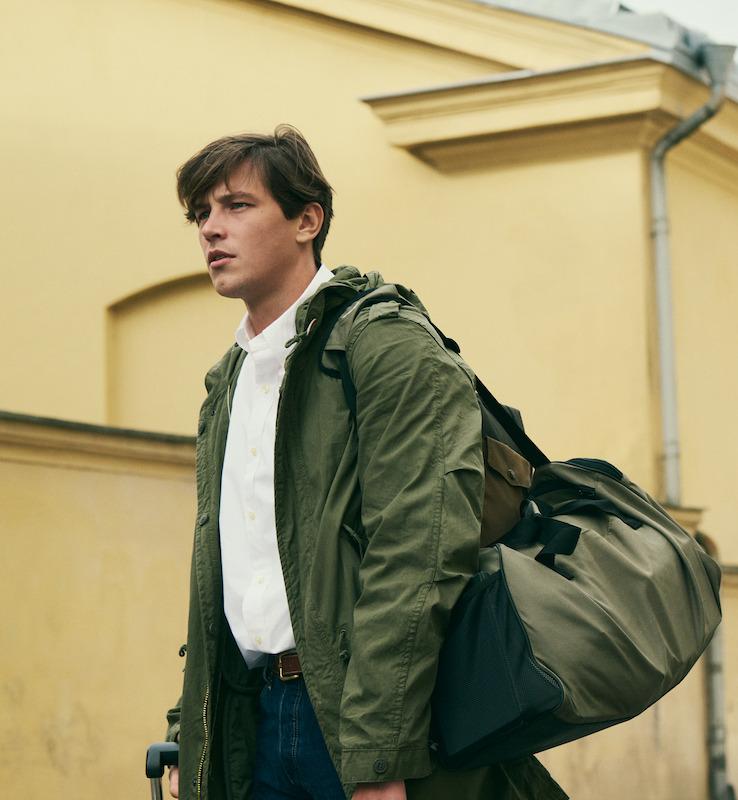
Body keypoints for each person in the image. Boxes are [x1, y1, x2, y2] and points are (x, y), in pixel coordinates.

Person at [163, 125, 566, 800]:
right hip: (253, 719)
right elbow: (225, 575)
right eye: (201, 213)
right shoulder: (226, 384)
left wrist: (381, 757)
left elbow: (416, 556)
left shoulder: (386, 346)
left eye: (236, 205)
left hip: (360, 724)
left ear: (306, 220)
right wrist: (189, 730)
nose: (210, 229)